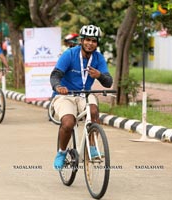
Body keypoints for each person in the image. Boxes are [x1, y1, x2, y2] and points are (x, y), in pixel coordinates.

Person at [50, 25, 113, 170]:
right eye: (87, 40)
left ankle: (92, 147)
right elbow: (55, 75)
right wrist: (58, 87)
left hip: (85, 94)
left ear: (97, 43)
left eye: (93, 41)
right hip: (65, 95)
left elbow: (108, 82)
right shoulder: (70, 54)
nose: (90, 43)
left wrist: (100, 76)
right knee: (68, 123)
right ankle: (61, 152)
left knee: (94, 111)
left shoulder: (98, 58)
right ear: (81, 40)